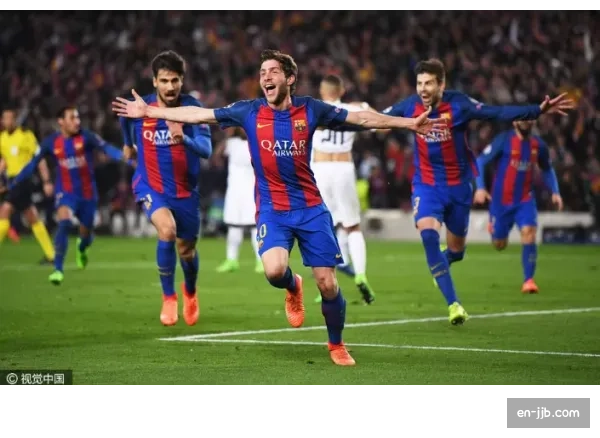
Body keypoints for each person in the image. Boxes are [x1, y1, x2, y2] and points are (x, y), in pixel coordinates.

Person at [113, 49, 439, 366]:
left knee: (328, 283)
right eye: (262, 73)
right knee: (273, 271)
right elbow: (200, 115)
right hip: (272, 209)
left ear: (290, 78)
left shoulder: (311, 110)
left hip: (310, 208)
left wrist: (408, 123)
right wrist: (150, 112)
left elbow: (361, 118)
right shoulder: (249, 111)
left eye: (273, 72)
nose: (265, 77)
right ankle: (293, 285)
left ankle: (337, 344)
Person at [382, 58, 573, 324]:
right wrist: (344, 120)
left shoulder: (459, 104)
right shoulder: (409, 106)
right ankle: (454, 305)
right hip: (427, 185)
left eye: (429, 83)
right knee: (428, 233)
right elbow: (378, 118)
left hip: (459, 188)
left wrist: (536, 110)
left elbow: (497, 112)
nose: (423, 89)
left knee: (457, 250)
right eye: (419, 83)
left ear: (441, 84)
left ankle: (445, 261)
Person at [119, 50, 212, 327]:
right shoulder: (141, 107)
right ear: (154, 81)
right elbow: (124, 117)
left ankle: (190, 292)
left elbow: (206, 150)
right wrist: (127, 143)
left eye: (175, 80)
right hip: (150, 184)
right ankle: (169, 297)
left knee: (187, 251)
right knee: (167, 230)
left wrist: (184, 139)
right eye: (164, 80)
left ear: (182, 80)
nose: (170, 87)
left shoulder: (193, 109)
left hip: (185, 190)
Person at [11, 106, 129, 284]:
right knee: (64, 222)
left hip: (88, 194)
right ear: (61, 122)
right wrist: (16, 181)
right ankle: (58, 269)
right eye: (72, 118)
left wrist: (124, 157)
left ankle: (82, 248)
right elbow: (33, 164)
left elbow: (106, 148)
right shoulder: (51, 142)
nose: (77, 121)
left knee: (85, 233)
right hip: (65, 192)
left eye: (77, 117)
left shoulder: (86, 137)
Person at [474, 120, 563, 293]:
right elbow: (481, 161)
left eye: (528, 118)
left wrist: (555, 191)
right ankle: (495, 228)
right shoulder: (504, 140)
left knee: (529, 232)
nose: (525, 122)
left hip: (524, 199)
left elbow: (546, 168)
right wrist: (481, 188)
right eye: (522, 118)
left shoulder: (538, 145)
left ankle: (529, 280)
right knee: (499, 244)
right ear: (515, 122)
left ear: (533, 121)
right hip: (501, 202)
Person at [311, 74, 374, 305]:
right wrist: (364, 105)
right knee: (352, 226)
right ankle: (360, 274)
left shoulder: (314, 109)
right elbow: (381, 126)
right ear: (342, 91)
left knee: (323, 227)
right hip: (344, 167)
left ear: (322, 91)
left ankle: (326, 284)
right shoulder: (352, 109)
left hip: (320, 169)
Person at [0, 105, 55, 263]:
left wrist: (46, 181)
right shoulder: (2, 138)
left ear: (15, 119)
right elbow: (5, 160)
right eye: (5, 118)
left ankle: (51, 255)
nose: (7, 121)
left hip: (23, 180)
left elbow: (40, 159)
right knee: (32, 216)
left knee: (5, 210)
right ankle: (51, 255)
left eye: (10, 118)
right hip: (11, 180)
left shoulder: (26, 136)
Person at [214, 128, 264, 274]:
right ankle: (231, 260)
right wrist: (226, 137)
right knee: (233, 227)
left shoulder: (258, 143)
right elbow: (217, 157)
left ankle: (261, 261)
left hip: (252, 191)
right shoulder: (231, 143)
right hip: (234, 192)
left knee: (256, 227)